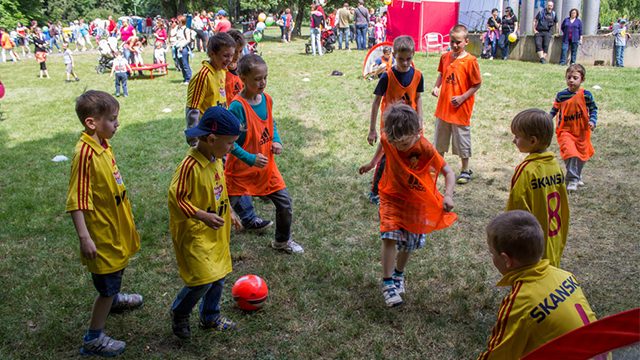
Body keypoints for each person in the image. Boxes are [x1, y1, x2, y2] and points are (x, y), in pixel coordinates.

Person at [66, 90, 143, 356]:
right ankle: (93, 338)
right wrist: (84, 237)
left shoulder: (100, 143)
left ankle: (115, 297)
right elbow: (77, 201)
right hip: (101, 236)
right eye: (112, 119)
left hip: (114, 227)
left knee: (115, 273)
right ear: (91, 122)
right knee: (107, 282)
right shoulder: (84, 154)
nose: (117, 124)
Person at [359, 104, 456, 307]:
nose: (399, 147)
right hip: (390, 196)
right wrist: (372, 163)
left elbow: (449, 172)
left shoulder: (425, 148)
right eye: (396, 142)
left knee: (408, 243)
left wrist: (448, 195)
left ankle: (398, 275)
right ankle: (387, 283)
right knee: (389, 235)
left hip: (415, 201)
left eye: (403, 143)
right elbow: (384, 144)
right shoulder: (390, 139)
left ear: (416, 131)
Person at [478, 210, 598, 359]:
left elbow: (498, 357)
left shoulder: (521, 302)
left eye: (492, 253)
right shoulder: (565, 276)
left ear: (507, 260)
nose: (492, 258)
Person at [167, 106, 242, 339]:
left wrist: (229, 211)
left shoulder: (216, 158)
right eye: (230, 143)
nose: (232, 148)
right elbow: (176, 198)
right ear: (211, 139)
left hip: (216, 232)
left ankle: (210, 315)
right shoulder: (189, 166)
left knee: (218, 276)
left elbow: (219, 190)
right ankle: (180, 312)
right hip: (197, 234)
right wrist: (202, 215)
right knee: (201, 281)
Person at [225, 54, 305, 254]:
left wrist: (275, 139)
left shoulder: (267, 99)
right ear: (242, 78)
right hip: (241, 170)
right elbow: (229, 143)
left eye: (265, 77)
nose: (263, 83)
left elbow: (271, 123)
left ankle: (281, 241)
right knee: (224, 210)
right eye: (257, 79)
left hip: (267, 167)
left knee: (285, 204)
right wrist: (250, 158)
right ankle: (214, 246)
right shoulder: (237, 106)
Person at [506, 108, 569, 267]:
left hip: (531, 247)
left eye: (517, 137)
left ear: (533, 141)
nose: (514, 141)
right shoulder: (555, 167)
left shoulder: (527, 171)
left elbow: (517, 210)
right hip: (553, 240)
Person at [367, 36, 424, 205]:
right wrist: (372, 129)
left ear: (413, 54)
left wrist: (420, 120)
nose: (405, 63)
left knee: (408, 157)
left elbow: (418, 98)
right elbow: (376, 102)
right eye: (400, 59)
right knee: (385, 158)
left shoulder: (418, 76)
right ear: (394, 55)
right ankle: (375, 192)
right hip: (391, 128)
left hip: (410, 127)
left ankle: (402, 188)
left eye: (409, 59)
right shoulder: (387, 76)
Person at [431, 25, 482, 184]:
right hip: (443, 109)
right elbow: (442, 74)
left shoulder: (470, 61)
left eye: (458, 42)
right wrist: (436, 86)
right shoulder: (445, 57)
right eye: (452, 41)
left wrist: (462, 97)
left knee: (462, 140)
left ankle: (465, 169)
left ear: (466, 41)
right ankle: (438, 166)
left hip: (460, 110)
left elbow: (476, 84)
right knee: (440, 139)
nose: (454, 45)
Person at [550, 64, 598, 192]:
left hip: (582, 131)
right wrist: (547, 119)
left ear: (582, 80)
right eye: (569, 77)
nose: (571, 80)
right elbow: (554, 109)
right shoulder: (561, 95)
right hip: (565, 131)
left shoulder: (586, 95)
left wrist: (593, 121)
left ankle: (577, 175)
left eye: (575, 78)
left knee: (582, 155)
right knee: (570, 153)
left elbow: (593, 108)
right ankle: (572, 179)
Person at [185, 32, 236, 145]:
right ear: (212, 53)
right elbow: (192, 109)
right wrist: (194, 140)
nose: (229, 59)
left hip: (219, 133)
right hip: (206, 137)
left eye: (232, 55)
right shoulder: (202, 76)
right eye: (226, 55)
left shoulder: (222, 71)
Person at [225, 30, 247, 102]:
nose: (237, 55)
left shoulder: (241, 68)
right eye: (234, 52)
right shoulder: (220, 70)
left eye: (240, 51)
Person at [175, 15, 193, 85]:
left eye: (178, 21)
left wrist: (182, 45)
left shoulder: (186, 30)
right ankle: (185, 78)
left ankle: (189, 78)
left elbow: (188, 40)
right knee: (181, 64)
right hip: (178, 48)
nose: (177, 22)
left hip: (184, 49)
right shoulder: (178, 29)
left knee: (185, 64)